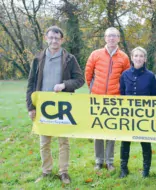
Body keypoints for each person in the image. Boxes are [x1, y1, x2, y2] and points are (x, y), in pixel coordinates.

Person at [26, 26, 85, 184]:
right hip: (43, 106)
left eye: (57, 38)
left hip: (63, 106)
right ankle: (46, 172)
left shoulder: (69, 59)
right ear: (46, 38)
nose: (54, 41)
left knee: (63, 141)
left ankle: (63, 172)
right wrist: (30, 107)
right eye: (51, 37)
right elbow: (31, 84)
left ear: (62, 40)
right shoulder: (38, 59)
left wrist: (64, 85)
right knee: (44, 142)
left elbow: (80, 80)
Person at [85, 27, 130, 171]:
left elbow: (126, 78)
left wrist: (119, 94)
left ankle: (110, 161)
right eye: (109, 36)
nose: (111, 38)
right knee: (98, 129)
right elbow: (88, 74)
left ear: (118, 39)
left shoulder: (124, 57)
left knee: (111, 130)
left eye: (115, 36)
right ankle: (99, 160)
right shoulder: (95, 54)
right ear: (105, 38)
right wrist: (93, 90)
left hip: (114, 99)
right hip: (97, 98)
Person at [119, 47, 156, 178]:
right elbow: (122, 93)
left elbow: (154, 96)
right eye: (136, 56)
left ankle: (146, 170)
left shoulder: (151, 76)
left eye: (141, 56)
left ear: (145, 59)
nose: (139, 58)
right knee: (125, 141)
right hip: (128, 114)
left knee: (145, 142)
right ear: (132, 57)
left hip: (144, 116)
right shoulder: (125, 75)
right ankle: (124, 169)